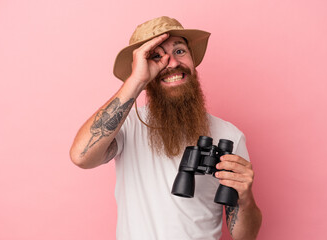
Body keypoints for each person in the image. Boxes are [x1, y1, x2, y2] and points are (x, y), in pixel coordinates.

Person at [70, 16, 262, 240]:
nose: (171, 63)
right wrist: (137, 80)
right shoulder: (128, 125)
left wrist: (246, 199)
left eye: (179, 51)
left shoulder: (229, 135)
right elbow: (81, 156)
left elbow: (244, 237)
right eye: (156, 56)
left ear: (192, 58)